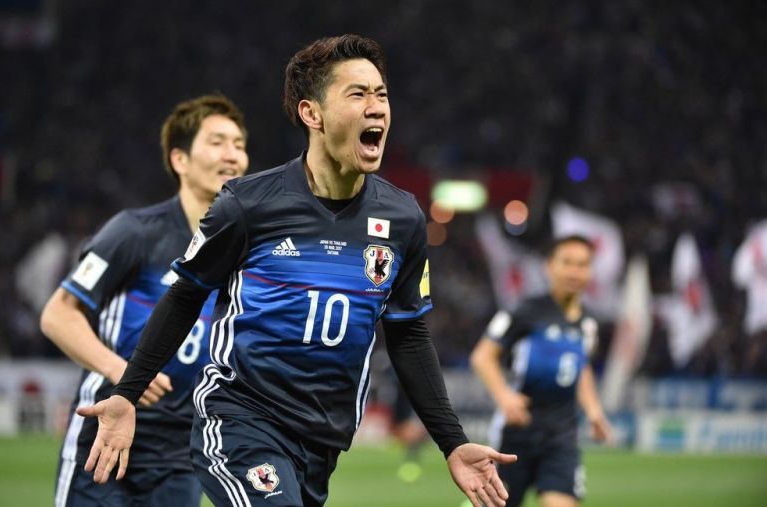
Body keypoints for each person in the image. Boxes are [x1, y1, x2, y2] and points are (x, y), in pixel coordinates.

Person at [77, 34, 516, 507]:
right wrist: (127, 393)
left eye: (382, 94)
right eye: (358, 94)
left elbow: (407, 333)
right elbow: (186, 295)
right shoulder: (248, 205)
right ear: (313, 114)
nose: (377, 107)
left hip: (321, 442)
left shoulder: (402, 219)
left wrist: (451, 441)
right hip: (239, 420)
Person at [40, 94, 249, 506]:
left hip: (181, 455)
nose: (233, 156)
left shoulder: (244, 252)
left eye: (240, 145)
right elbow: (57, 315)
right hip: (104, 436)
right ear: (180, 160)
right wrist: (125, 372)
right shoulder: (133, 232)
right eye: (218, 142)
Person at [470, 235, 614, 507]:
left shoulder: (589, 325)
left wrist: (594, 411)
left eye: (582, 264)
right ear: (549, 267)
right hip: (517, 433)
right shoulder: (525, 310)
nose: (575, 271)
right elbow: (483, 356)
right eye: (567, 262)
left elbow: (580, 368)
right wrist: (505, 398)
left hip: (561, 437)